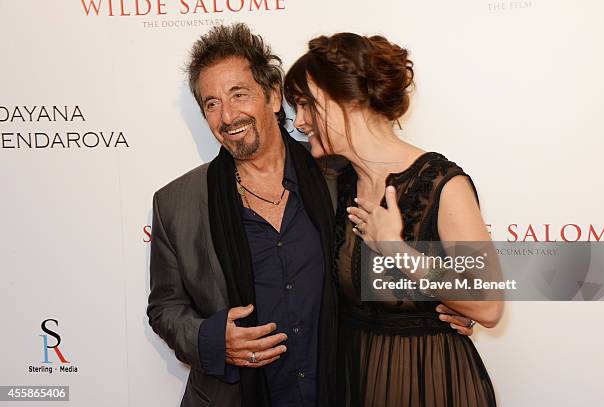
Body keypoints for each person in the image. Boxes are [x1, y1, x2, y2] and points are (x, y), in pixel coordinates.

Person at [147, 23, 477, 407]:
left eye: (239, 94)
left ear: (272, 96)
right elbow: (164, 308)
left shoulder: (341, 177)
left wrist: (442, 307)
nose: (227, 115)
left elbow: (370, 269)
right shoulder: (176, 202)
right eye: (211, 103)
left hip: (342, 389)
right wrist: (210, 339)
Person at [285, 32, 504, 406]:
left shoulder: (440, 183)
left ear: (348, 102)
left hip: (430, 386)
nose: (300, 122)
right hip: (356, 383)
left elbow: (487, 303)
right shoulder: (336, 182)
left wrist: (396, 251)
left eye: (307, 106)